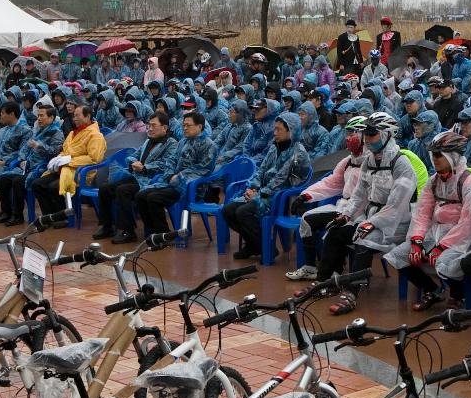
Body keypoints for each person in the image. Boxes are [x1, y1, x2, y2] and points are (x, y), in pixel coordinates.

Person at [318, 112, 416, 314]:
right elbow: (359, 194)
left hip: (398, 223)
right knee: (337, 231)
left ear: (387, 134)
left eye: (372, 134)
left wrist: (373, 223)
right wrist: (346, 215)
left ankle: (351, 293)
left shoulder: (401, 164)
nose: (367, 139)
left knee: (364, 239)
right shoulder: (369, 161)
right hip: (374, 218)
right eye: (366, 134)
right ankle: (326, 281)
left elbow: (397, 205)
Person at [385, 131, 471, 309]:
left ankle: (457, 295)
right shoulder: (433, 181)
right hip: (434, 233)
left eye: (439, 154)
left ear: (453, 156)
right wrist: (416, 240)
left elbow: (469, 223)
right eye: (433, 154)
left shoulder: (470, 182)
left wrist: (442, 246)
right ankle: (433, 290)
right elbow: (422, 214)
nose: (435, 158)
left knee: (444, 262)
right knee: (398, 256)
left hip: (462, 238)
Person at [285, 115, 368, 281]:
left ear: (364, 135)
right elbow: (330, 183)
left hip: (361, 213)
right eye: (348, 133)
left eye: (352, 133)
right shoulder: (347, 161)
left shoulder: (372, 162)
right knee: (307, 220)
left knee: (335, 231)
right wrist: (305, 196)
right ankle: (310, 266)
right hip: (343, 206)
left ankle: (335, 271)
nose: (348, 138)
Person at [221, 111, 310, 260]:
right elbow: (261, 170)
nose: (274, 133)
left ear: (291, 131)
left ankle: (266, 247)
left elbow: (280, 180)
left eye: (279, 130)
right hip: (264, 192)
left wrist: (260, 194)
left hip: (280, 197)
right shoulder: (274, 147)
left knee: (243, 212)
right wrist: (252, 187)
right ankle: (254, 245)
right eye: (274, 129)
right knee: (228, 210)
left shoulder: (298, 153)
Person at [92, 112, 179, 243]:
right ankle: (107, 226)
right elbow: (134, 154)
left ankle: (128, 231)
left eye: (154, 126)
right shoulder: (148, 141)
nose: (149, 129)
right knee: (105, 188)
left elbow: (167, 164)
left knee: (123, 190)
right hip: (137, 176)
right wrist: (133, 162)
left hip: (152, 181)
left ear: (164, 128)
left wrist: (145, 167)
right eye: (149, 125)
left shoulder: (171, 143)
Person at [135, 110, 217, 236]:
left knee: (153, 198)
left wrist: (180, 176)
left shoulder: (209, 145)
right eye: (183, 125)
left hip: (190, 187)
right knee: (141, 195)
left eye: (188, 125)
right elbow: (172, 160)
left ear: (199, 127)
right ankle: (151, 233)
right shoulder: (183, 142)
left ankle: (163, 234)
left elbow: (203, 169)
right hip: (172, 182)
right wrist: (170, 174)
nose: (184, 128)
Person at [32, 104, 106, 219]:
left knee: (54, 187)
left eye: (77, 116)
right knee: (37, 184)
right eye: (73, 116)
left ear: (87, 116)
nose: (74, 118)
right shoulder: (72, 133)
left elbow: (94, 158)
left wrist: (69, 161)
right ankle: (49, 216)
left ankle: (63, 217)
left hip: (80, 173)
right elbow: (64, 151)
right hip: (63, 170)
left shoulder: (96, 136)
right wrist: (58, 159)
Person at [0, 102, 63, 225]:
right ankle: (6, 212)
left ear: (51, 118)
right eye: (38, 116)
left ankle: (18, 216)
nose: (39, 119)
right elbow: (25, 149)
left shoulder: (56, 133)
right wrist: (21, 160)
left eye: (42, 116)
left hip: (42, 168)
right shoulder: (36, 131)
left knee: (17, 181)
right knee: (2, 178)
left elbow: (55, 153)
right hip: (27, 166)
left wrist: (39, 146)